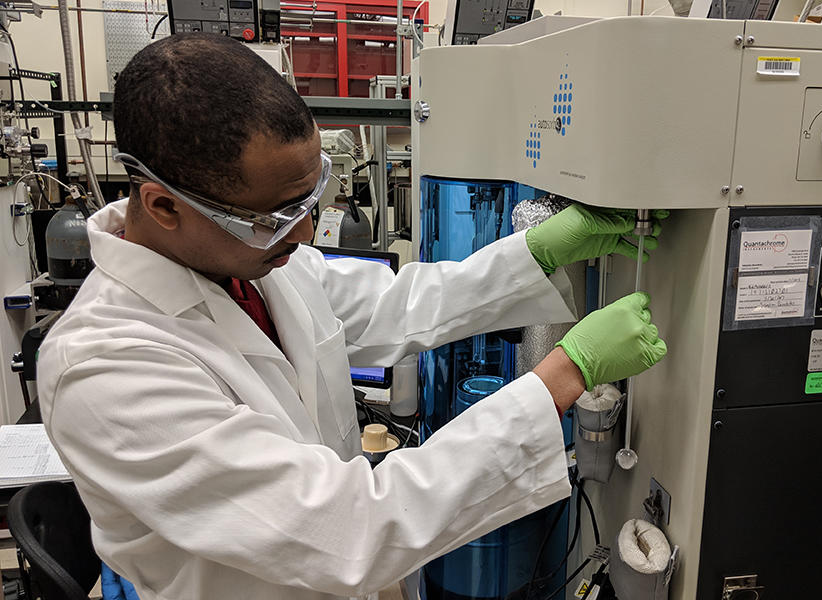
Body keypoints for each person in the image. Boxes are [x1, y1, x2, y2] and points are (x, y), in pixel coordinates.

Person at [37, 33, 667, 600]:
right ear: (164, 207)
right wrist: (563, 376)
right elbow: (345, 530)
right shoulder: (105, 368)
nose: (306, 231)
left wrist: (540, 250)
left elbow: (399, 305)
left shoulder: (256, 263)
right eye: (275, 216)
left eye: (311, 198)